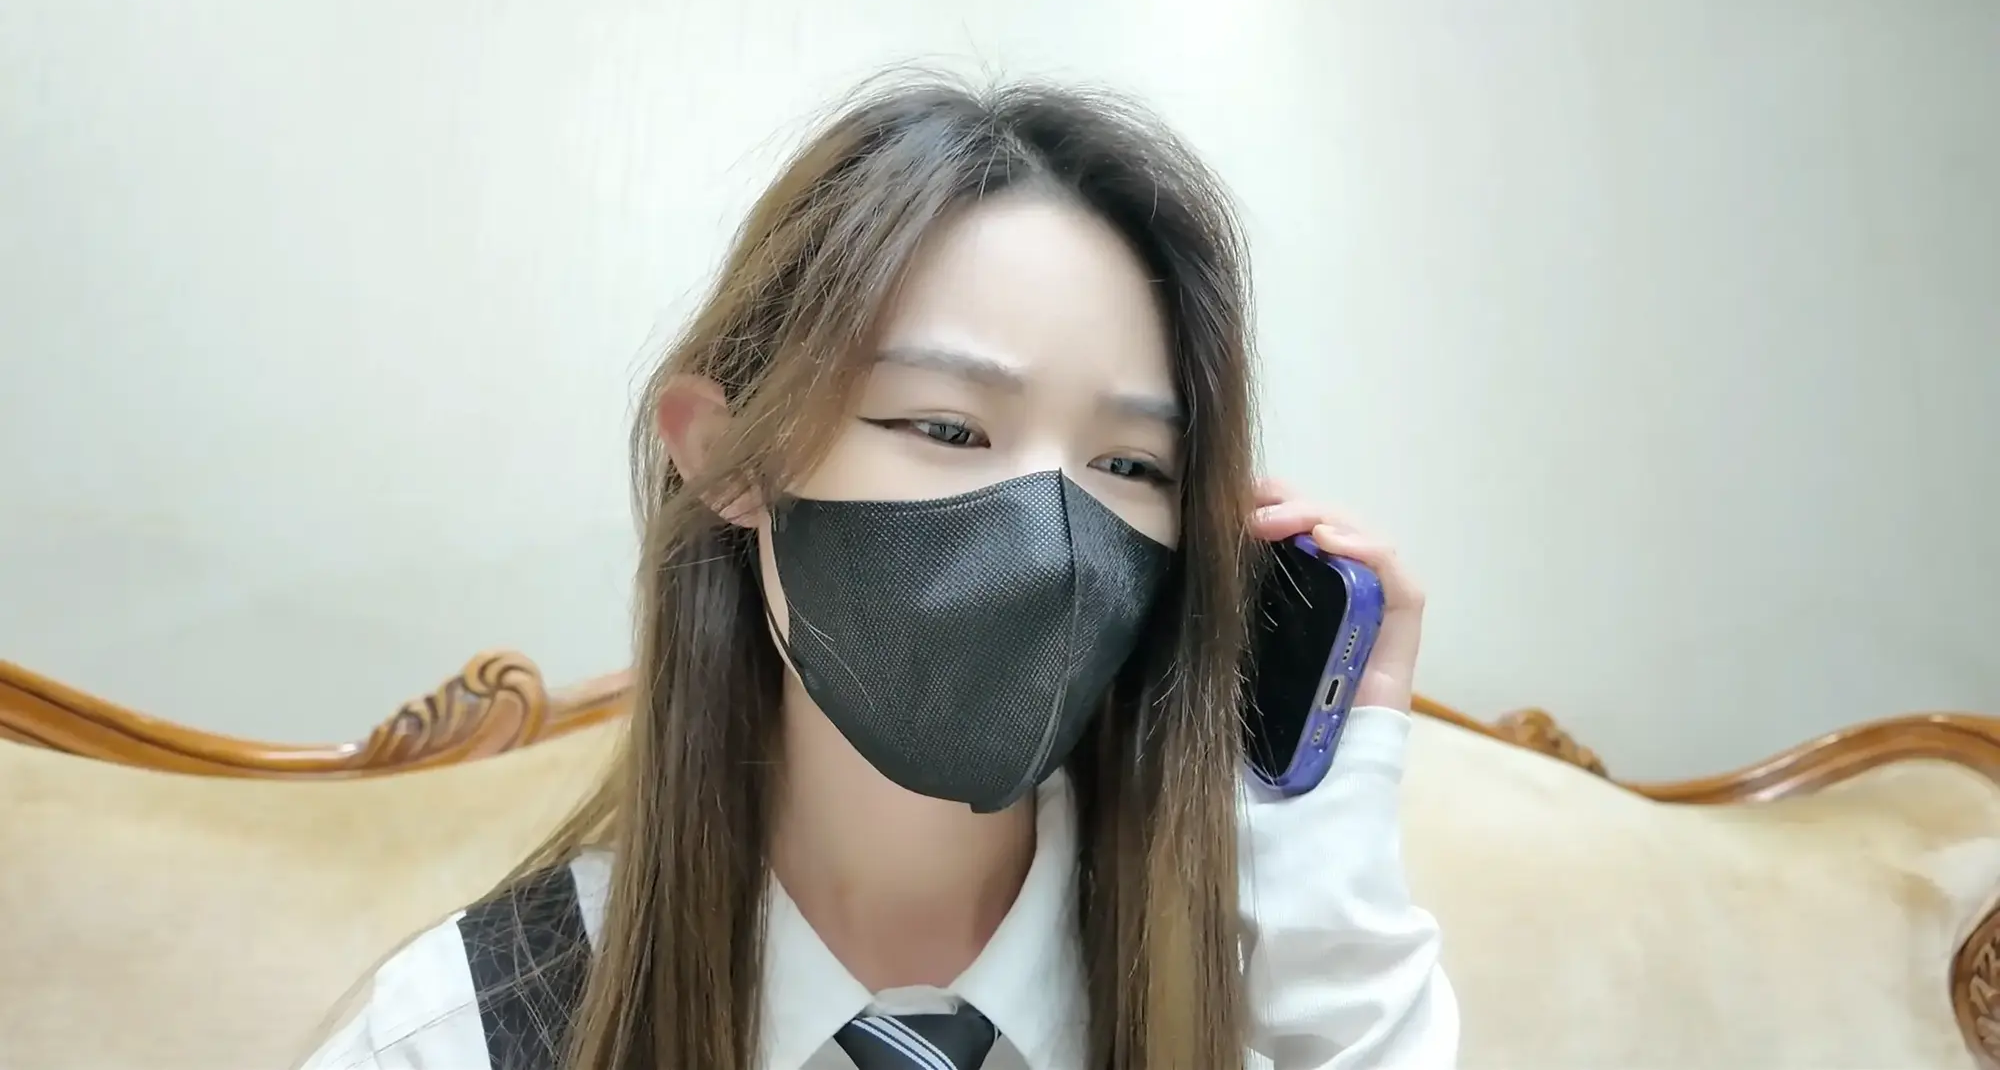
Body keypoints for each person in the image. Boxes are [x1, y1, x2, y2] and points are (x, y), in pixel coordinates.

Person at [300, 75, 1458, 1070]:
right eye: (946, 428)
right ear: (728, 456)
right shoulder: (470, 1027)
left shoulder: (1274, 1005)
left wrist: (1326, 852)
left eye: (1127, 465)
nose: (1048, 540)